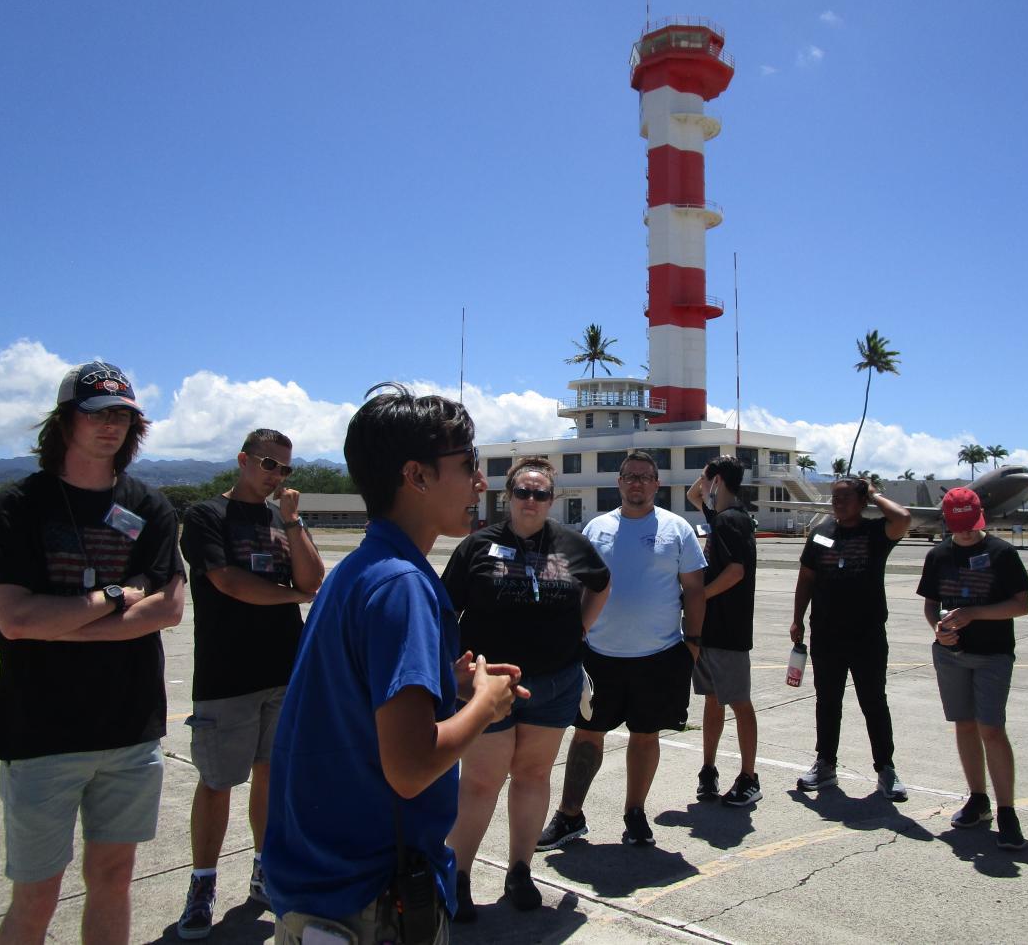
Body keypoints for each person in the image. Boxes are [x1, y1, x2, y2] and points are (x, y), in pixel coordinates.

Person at [263, 384, 524, 945]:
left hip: (320, 890)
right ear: (417, 476)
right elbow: (409, 769)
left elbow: (352, 707)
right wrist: (484, 704)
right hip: (369, 901)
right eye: (468, 463)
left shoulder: (361, 570)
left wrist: (442, 689)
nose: (481, 482)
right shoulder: (403, 584)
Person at [0, 361, 185, 944]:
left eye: (121, 416)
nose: (110, 426)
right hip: (40, 734)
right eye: (96, 414)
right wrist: (113, 597)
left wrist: (60, 624)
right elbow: (15, 617)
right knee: (36, 894)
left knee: (114, 877)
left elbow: (166, 609)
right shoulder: (18, 508)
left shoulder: (150, 507)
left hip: (129, 733)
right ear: (64, 422)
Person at [441, 457, 611, 920]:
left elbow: (601, 583)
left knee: (534, 776)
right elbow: (444, 609)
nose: (531, 500)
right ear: (508, 496)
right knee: (480, 782)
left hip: (556, 680)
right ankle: (456, 878)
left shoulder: (572, 545)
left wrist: (581, 628)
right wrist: (457, 670)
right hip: (491, 685)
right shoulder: (477, 547)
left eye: (540, 493)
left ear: (552, 499)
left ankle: (520, 870)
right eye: (523, 492)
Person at [175, 428, 326, 939]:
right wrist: (293, 598)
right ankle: (202, 882)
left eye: (284, 468)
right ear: (242, 461)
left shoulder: (281, 520)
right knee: (217, 782)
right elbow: (229, 583)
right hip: (226, 674)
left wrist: (292, 520)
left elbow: (313, 581)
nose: (275, 476)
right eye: (267, 464)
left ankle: (264, 868)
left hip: (284, 670)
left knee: (271, 776)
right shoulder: (205, 516)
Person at [537, 450, 706, 850]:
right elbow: (576, 587)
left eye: (645, 477)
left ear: (657, 484)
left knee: (645, 736)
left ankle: (635, 813)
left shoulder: (677, 529)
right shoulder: (596, 529)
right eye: (630, 476)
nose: (637, 483)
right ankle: (570, 815)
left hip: (660, 657)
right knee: (585, 736)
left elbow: (696, 590)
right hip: (599, 657)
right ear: (619, 482)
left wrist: (694, 644)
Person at [916, 488, 1028, 849]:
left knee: (991, 728)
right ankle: (978, 798)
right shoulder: (938, 555)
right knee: (964, 725)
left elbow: (1021, 605)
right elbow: (931, 604)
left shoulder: (1001, 553)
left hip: (992, 654)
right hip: (950, 655)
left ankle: (1007, 810)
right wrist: (938, 627)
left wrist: (973, 614)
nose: (965, 533)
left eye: (971, 525)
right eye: (958, 526)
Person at [791, 476, 913, 799]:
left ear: (862, 502)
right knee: (827, 701)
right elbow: (806, 578)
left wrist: (874, 493)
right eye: (835, 497)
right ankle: (825, 764)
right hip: (827, 634)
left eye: (846, 497)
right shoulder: (820, 534)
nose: (838, 502)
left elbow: (903, 519)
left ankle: (885, 769)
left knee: (873, 701)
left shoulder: (875, 532)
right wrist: (797, 618)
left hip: (867, 635)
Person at [685, 456, 761, 806]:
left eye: (706, 478)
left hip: (728, 627)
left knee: (739, 703)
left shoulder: (732, 521)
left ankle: (749, 776)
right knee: (713, 699)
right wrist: (707, 482)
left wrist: (699, 595)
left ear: (716, 480)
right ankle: (708, 769)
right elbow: (692, 496)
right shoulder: (722, 518)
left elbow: (735, 572)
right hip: (711, 628)